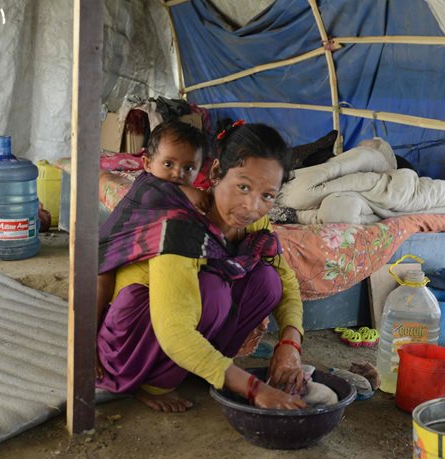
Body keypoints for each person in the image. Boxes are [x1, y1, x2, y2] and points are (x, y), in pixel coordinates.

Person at [96, 122, 306, 412]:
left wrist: (290, 343)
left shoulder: (254, 221)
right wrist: (254, 389)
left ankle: (203, 367)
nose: (251, 206)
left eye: (267, 196)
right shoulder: (180, 224)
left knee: (267, 281)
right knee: (213, 290)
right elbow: (174, 331)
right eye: (243, 187)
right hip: (130, 343)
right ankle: (153, 383)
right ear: (217, 172)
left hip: (180, 328)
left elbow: (287, 282)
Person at [96, 120, 207, 327]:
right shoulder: (147, 185)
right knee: (101, 284)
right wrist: (188, 192)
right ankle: (88, 336)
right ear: (147, 164)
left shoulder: (178, 191)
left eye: (188, 167)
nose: (177, 173)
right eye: (168, 164)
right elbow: (159, 196)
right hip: (108, 245)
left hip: (138, 247)